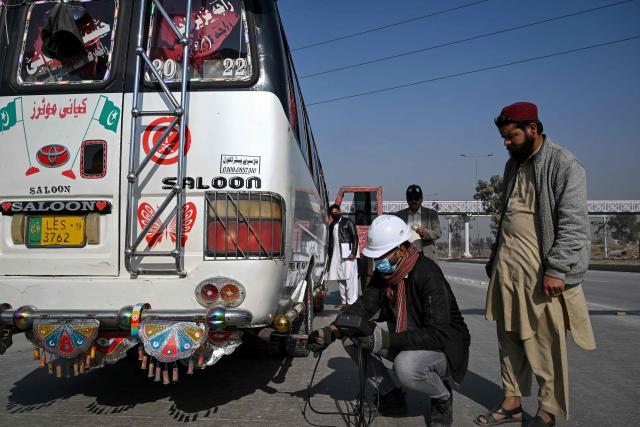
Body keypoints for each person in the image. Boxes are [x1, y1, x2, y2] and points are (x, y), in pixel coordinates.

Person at [474, 102, 596, 427]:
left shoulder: (564, 164)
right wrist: (494, 254)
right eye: (502, 137)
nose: (505, 143)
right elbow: (506, 215)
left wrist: (557, 269)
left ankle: (546, 411)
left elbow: (573, 224)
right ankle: (512, 402)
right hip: (507, 270)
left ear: (532, 129)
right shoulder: (512, 165)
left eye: (510, 136)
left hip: (540, 273)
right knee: (508, 340)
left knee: (544, 344)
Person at [308, 215, 470, 427]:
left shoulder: (428, 274)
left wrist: (385, 340)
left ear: (401, 250)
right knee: (351, 337)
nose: (378, 263)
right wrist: (331, 331)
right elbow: (363, 306)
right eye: (375, 258)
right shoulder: (385, 275)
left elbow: (437, 335)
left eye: (382, 256)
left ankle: (442, 397)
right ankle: (390, 395)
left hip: (443, 349)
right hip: (410, 340)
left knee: (406, 366)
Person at [395, 184, 442, 262]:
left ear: (421, 199)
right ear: (407, 200)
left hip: (426, 256)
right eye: (410, 199)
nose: (413, 201)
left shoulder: (431, 214)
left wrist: (426, 233)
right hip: (406, 256)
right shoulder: (399, 215)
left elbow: (438, 232)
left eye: (416, 198)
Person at [327, 204, 359, 309]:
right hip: (336, 255)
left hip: (348, 254)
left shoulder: (348, 222)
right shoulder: (331, 225)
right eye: (332, 213)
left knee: (350, 278)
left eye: (336, 212)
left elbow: (355, 237)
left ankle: (351, 302)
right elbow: (330, 242)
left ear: (340, 211)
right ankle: (344, 301)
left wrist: (353, 252)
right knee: (340, 278)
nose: (334, 214)